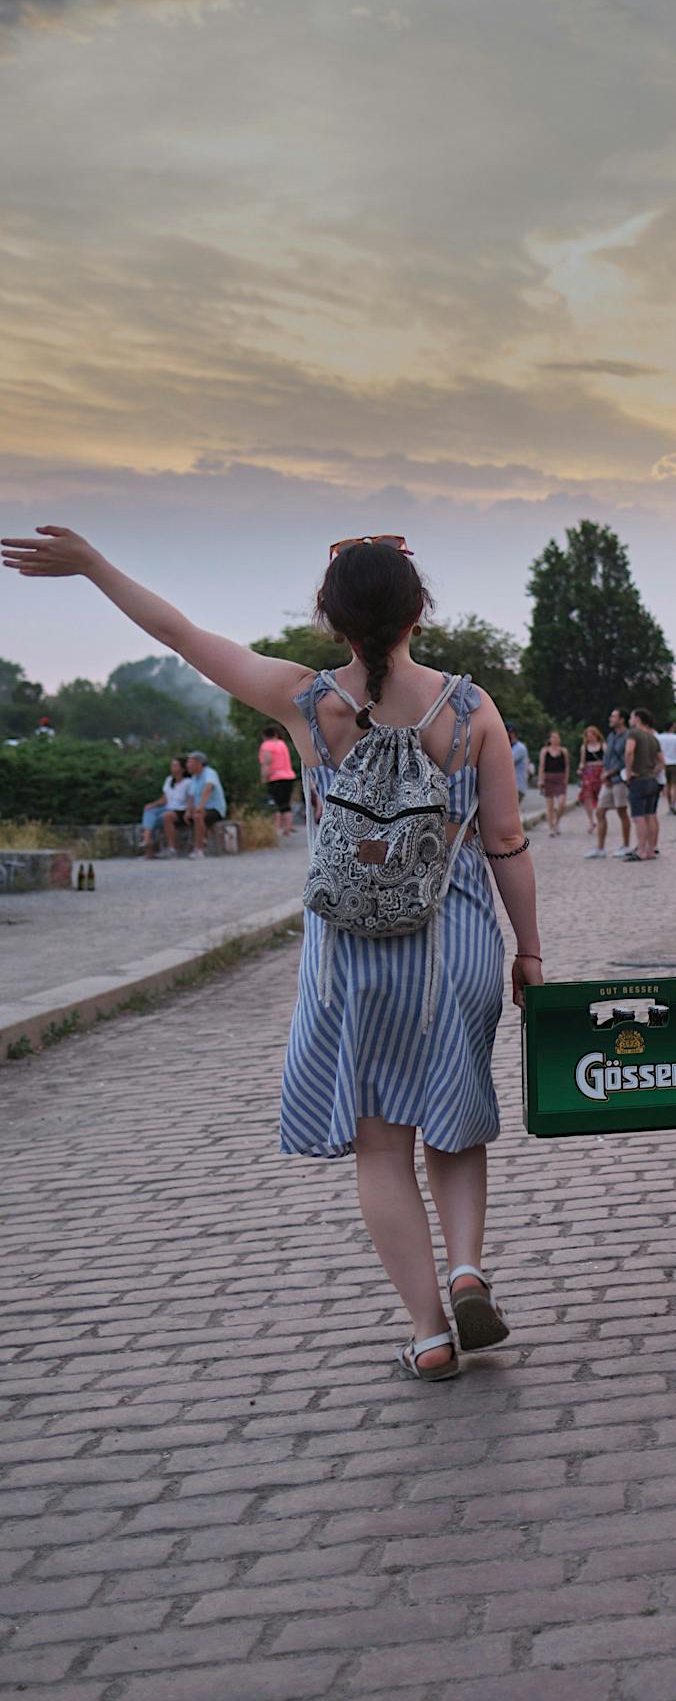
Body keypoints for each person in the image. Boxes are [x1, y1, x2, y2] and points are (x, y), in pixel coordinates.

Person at [0, 526, 544, 1382]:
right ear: (419, 611)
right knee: (455, 1117)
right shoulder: (472, 709)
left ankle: (431, 1332)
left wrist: (95, 565)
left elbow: (180, 636)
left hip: (353, 955)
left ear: (332, 618)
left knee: (380, 1145)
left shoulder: (306, 700)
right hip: (457, 942)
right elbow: (507, 840)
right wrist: (531, 955)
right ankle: (469, 1265)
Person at [590, 707, 630, 859]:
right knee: (600, 811)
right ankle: (600, 848)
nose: (610, 719)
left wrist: (611, 773)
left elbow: (625, 760)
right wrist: (604, 773)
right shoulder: (611, 736)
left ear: (621, 720)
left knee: (622, 811)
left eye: (613, 717)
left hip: (619, 779)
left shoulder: (627, 736)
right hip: (608, 780)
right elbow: (608, 757)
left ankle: (626, 845)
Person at [626, 709, 663, 859]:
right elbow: (662, 762)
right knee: (651, 815)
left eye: (631, 717)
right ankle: (651, 849)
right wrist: (653, 773)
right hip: (651, 780)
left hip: (639, 779)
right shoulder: (653, 737)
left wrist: (629, 771)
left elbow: (629, 752)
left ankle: (640, 850)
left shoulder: (634, 734)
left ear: (637, 719)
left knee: (638, 816)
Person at [140, 755, 190, 858]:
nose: (172, 768)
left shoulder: (188, 782)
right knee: (149, 811)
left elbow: (190, 799)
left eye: (175, 766)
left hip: (180, 809)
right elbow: (164, 799)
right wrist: (152, 804)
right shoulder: (169, 780)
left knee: (163, 817)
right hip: (167, 807)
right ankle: (147, 839)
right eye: (172, 766)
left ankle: (168, 848)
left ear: (182, 769)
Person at [182, 750, 228, 859]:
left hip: (215, 809)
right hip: (202, 808)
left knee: (198, 816)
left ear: (199, 763)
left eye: (190, 762)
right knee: (192, 816)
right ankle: (201, 840)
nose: (187, 765)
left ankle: (199, 849)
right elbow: (191, 796)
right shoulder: (194, 778)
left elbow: (208, 788)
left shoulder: (209, 773)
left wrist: (200, 806)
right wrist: (188, 811)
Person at [258, 722, 297, 840]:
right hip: (289, 776)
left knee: (275, 804)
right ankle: (288, 828)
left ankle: (277, 829)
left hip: (275, 778)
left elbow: (267, 761)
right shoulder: (282, 743)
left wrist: (264, 777)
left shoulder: (266, 746)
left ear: (264, 735)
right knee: (286, 804)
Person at [535, 729, 569, 837]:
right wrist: (540, 779)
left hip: (560, 777)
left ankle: (557, 822)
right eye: (553, 737)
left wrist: (566, 779)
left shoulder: (563, 751)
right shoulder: (545, 751)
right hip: (548, 777)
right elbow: (541, 766)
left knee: (562, 803)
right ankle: (550, 827)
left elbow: (567, 766)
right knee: (550, 805)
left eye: (556, 737)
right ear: (550, 739)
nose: (554, 739)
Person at [576, 724, 605, 835]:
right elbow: (582, 762)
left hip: (600, 772)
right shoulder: (584, 747)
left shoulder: (603, 746)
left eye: (592, 734)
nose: (590, 737)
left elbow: (606, 760)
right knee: (587, 796)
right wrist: (580, 769)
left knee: (600, 797)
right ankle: (591, 821)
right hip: (588, 772)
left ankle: (599, 818)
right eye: (588, 735)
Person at [658, 721, 676, 814]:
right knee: (674, 785)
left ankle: (669, 804)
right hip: (675, 763)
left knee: (667, 785)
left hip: (663, 763)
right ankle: (673, 805)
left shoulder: (659, 737)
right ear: (671, 727)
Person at [508, 727, 530, 801]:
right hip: (512, 786)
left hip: (517, 786)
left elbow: (507, 761)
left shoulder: (519, 748)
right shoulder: (512, 747)